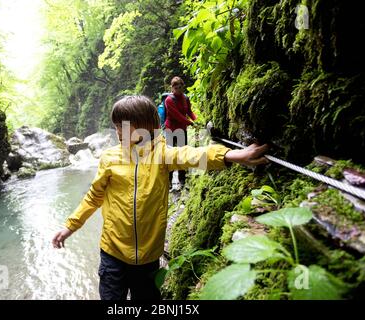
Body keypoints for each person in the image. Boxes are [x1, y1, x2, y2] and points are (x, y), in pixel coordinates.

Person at [52, 95, 268, 300]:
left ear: (146, 126)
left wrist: (232, 155)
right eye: (116, 125)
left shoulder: (161, 154)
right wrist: (70, 227)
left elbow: (192, 155)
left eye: (124, 125)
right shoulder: (110, 158)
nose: (118, 131)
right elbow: (93, 197)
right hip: (112, 253)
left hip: (148, 258)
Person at [164, 76, 196, 189]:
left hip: (182, 130)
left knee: (183, 154)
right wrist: (190, 123)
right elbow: (177, 116)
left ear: (183, 87)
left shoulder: (185, 98)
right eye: (176, 87)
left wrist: (197, 120)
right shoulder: (168, 100)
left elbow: (189, 112)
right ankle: (168, 181)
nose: (178, 89)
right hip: (170, 130)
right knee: (169, 156)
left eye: (180, 87)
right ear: (172, 88)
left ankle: (182, 180)